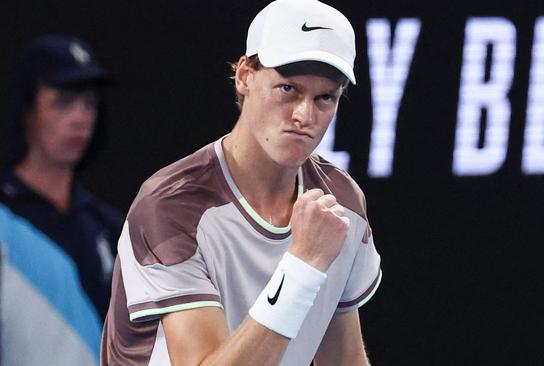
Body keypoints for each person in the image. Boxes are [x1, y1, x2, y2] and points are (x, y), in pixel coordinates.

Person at [101, 0, 382, 364]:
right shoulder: (171, 207)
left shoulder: (341, 202)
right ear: (245, 76)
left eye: (324, 97)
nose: (304, 115)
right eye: (288, 89)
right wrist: (303, 266)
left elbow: (343, 359)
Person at [0, 34, 124, 365]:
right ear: (28, 109)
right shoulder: (4, 220)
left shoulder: (110, 228)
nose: (81, 118)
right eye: (63, 102)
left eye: (89, 103)